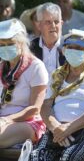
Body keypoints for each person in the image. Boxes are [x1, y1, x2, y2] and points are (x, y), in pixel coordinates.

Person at [30, 29, 84, 161]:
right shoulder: (57, 74)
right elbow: (45, 106)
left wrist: (68, 129)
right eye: (70, 47)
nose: (74, 51)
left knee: (69, 158)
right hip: (57, 130)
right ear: (64, 50)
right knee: (36, 156)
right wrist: (56, 127)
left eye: (79, 48)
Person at [0, 19, 48, 148]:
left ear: (21, 43)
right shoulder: (1, 67)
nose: (5, 48)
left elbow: (34, 109)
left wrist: (6, 120)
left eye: (10, 44)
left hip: (29, 122)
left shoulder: (36, 67)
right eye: (1, 45)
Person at [30, 3, 66, 77]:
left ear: (61, 24)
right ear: (39, 25)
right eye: (48, 22)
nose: (53, 26)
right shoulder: (29, 48)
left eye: (56, 22)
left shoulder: (70, 46)